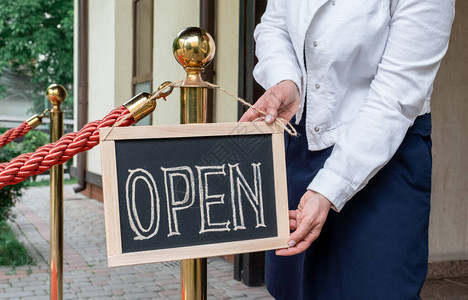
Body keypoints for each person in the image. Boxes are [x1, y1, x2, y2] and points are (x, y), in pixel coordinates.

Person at [240, 0, 455, 299]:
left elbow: (397, 94)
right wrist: (286, 79)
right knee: (294, 287)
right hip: (301, 146)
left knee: (375, 287)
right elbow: (274, 26)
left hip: (386, 156)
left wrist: (330, 187)